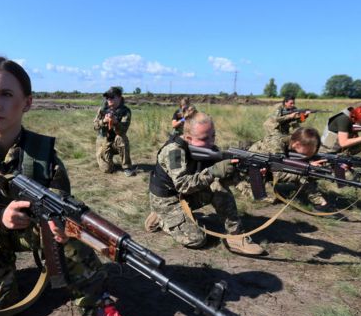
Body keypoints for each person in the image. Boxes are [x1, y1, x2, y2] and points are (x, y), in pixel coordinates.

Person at [0, 57, 145, 316]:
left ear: (27, 102)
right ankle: (1, 269)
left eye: (6, 94)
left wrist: (61, 231)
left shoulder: (44, 155)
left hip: (31, 229)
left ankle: (98, 309)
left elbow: (63, 207)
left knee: (76, 229)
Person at [145, 112, 265, 255]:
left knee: (217, 185)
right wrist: (213, 171)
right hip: (167, 200)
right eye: (204, 138)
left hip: (186, 194)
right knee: (197, 239)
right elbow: (182, 185)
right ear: (188, 138)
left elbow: (226, 180)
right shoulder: (174, 152)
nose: (211, 142)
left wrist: (248, 173)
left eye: (213, 136)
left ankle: (235, 236)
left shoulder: (206, 149)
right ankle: (162, 218)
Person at [242, 127, 339, 214]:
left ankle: (319, 202)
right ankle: (242, 185)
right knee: (269, 198)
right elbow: (278, 172)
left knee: (305, 171)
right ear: (297, 144)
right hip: (250, 174)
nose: (309, 155)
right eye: (308, 152)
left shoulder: (293, 144)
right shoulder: (275, 144)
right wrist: (307, 167)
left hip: (268, 171)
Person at [93, 86, 135, 176]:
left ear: (119, 97)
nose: (109, 99)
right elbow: (95, 126)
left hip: (116, 140)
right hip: (104, 141)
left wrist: (115, 122)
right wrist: (103, 121)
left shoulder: (125, 111)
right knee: (107, 169)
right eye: (107, 97)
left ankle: (126, 167)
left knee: (122, 137)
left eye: (112, 97)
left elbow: (123, 130)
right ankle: (105, 160)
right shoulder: (102, 110)